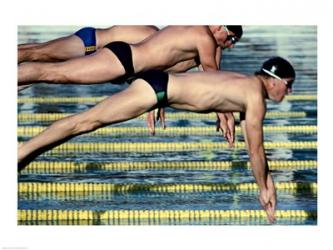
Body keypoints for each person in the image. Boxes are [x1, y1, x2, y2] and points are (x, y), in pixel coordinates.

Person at [18, 56, 296, 223]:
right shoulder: (255, 97)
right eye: (288, 84)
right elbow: (256, 152)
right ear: (273, 79)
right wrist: (263, 188)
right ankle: (21, 151)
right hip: (156, 90)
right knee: (85, 122)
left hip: (158, 85)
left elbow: (256, 151)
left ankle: (23, 155)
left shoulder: (247, 85)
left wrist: (269, 186)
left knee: (85, 124)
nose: (290, 91)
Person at [18, 25, 243, 142]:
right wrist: (227, 114)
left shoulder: (203, 43)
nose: (231, 45)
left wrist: (156, 101)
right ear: (219, 26)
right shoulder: (201, 36)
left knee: (46, 68)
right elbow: (213, 79)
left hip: (124, 65)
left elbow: (212, 77)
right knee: (44, 65)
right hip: (111, 54)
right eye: (231, 38)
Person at [18, 25, 159, 63]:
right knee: (34, 53)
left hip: (90, 39)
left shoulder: (153, 31)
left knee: (33, 51)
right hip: (89, 45)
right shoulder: (153, 37)